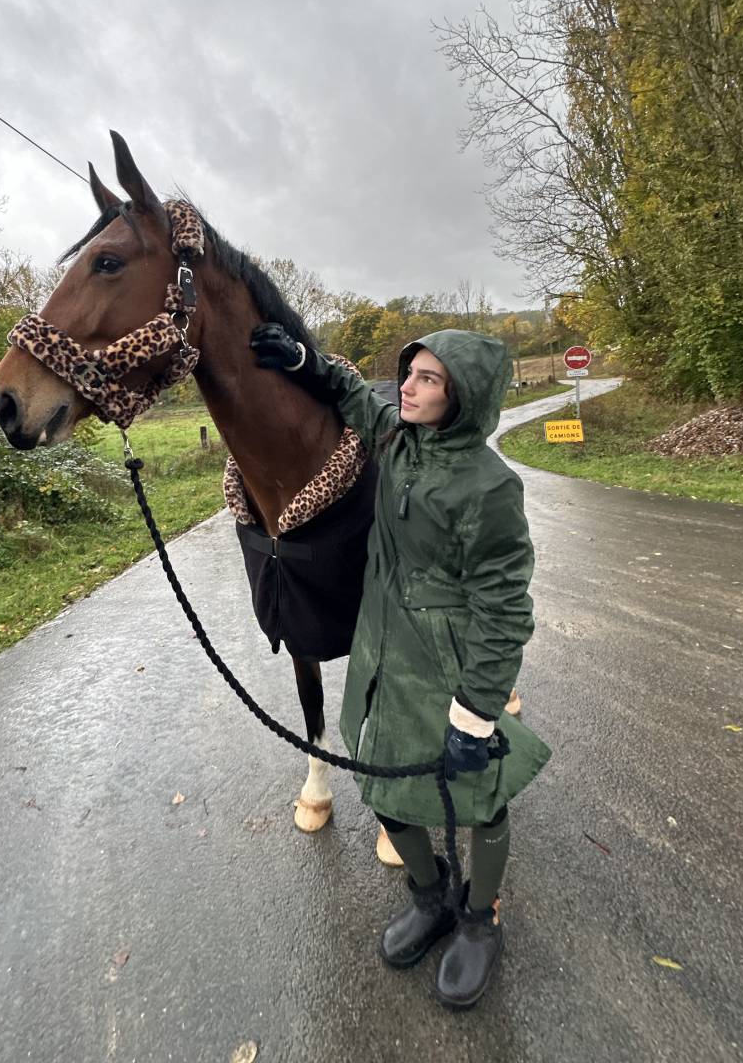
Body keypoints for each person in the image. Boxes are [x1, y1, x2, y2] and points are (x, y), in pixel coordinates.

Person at [250, 324, 550, 1008]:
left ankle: (480, 917)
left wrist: (477, 708)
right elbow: (356, 395)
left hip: (450, 667)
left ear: (461, 395)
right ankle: (431, 894)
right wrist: (305, 362)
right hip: (381, 652)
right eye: (408, 373)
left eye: (428, 379)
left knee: (480, 795)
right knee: (381, 784)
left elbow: (505, 607)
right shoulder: (395, 440)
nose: (407, 387)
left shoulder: (490, 486)